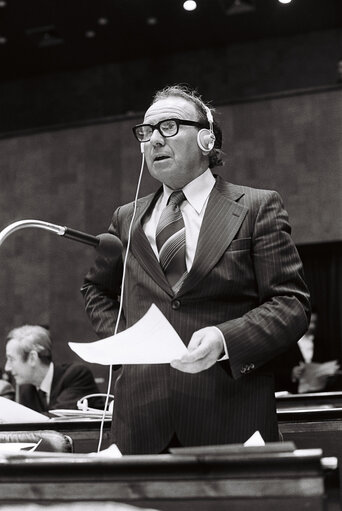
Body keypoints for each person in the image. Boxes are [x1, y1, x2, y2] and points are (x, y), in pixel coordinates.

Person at [81, 84, 311, 454]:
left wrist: (224, 339)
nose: (153, 140)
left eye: (168, 127)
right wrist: (130, 340)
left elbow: (290, 304)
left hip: (229, 418)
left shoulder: (257, 207)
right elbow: (96, 289)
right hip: (140, 423)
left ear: (206, 139)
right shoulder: (126, 218)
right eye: (145, 131)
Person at [5, 325, 104, 413]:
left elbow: (57, 422)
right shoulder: (26, 389)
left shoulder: (77, 375)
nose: (7, 367)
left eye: (11, 359)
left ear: (32, 358)